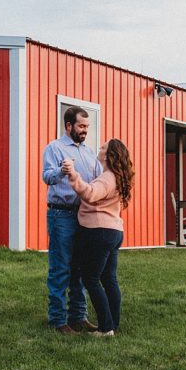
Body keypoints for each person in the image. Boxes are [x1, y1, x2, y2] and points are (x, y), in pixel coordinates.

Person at [41, 106, 102, 335]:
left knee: (80, 268)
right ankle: (58, 320)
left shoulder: (89, 152)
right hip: (61, 215)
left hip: (83, 215)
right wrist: (61, 171)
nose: (85, 130)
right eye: (81, 126)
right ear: (68, 126)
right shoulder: (54, 148)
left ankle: (78, 316)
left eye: (87, 126)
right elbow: (47, 176)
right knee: (61, 269)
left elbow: (98, 180)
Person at [68, 138, 134, 337]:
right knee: (108, 278)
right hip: (114, 232)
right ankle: (112, 324)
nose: (100, 148)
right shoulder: (117, 177)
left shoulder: (107, 178)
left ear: (109, 155)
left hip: (100, 232)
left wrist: (73, 174)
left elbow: (90, 194)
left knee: (91, 279)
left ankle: (105, 328)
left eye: (103, 147)